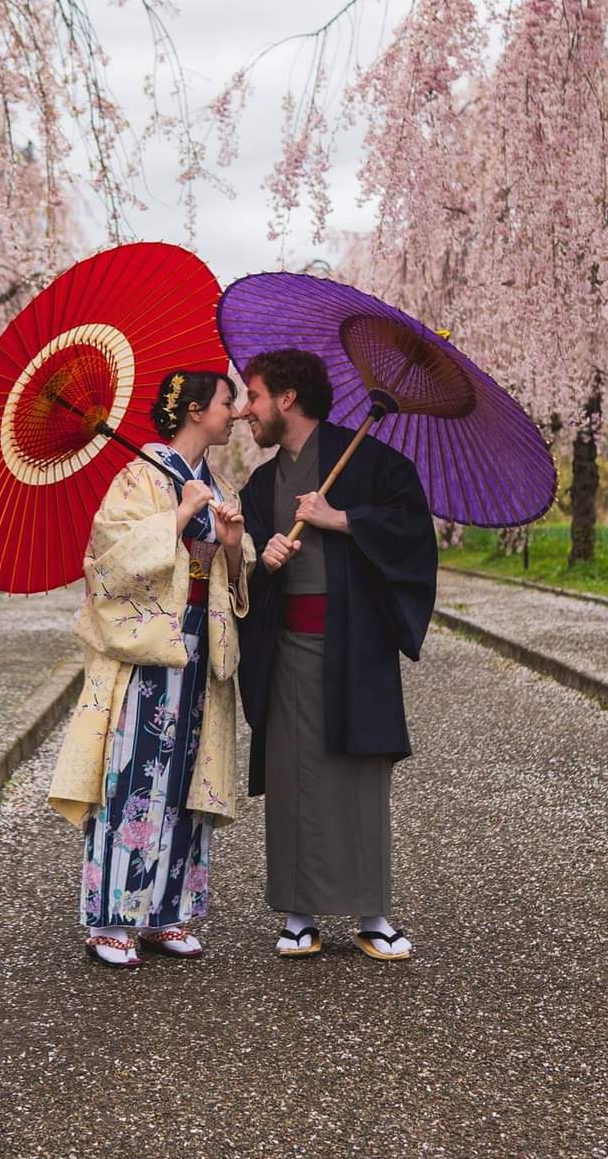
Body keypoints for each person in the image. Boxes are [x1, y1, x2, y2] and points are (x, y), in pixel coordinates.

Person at [48, 370, 253, 969]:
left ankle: (166, 912)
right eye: (224, 402)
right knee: (134, 771)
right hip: (147, 648)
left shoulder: (217, 483)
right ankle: (111, 917)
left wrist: (234, 545)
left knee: (187, 775)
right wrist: (174, 519)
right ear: (195, 411)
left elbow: (230, 577)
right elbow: (108, 557)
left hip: (197, 642)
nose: (234, 411)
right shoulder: (140, 475)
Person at [238, 349, 437, 961]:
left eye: (253, 396)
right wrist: (261, 562)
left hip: (355, 644)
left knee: (359, 776)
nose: (246, 410)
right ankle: (299, 915)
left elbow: (414, 532)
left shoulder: (372, 461)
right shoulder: (261, 484)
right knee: (295, 775)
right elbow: (241, 568)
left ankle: (374, 914)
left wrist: (341, 516)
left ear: (287, 399)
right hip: (289, 644)